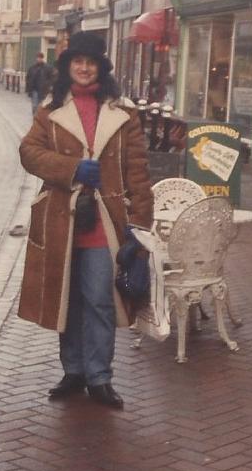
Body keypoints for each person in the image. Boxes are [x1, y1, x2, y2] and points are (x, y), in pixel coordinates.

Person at [17, 32, 153, 410]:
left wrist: (140, 226)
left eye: (90, 62)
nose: (84, 68)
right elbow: (29, 152)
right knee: (69, 299)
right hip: (63, 220)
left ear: (100, 68)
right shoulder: (51, 109)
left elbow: (138, 172)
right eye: (77, 61)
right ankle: (74, 371)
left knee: (99, 299)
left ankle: (99, 376)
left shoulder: (124, 113)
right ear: (67, 66)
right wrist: (72, 168)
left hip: (106, 223)